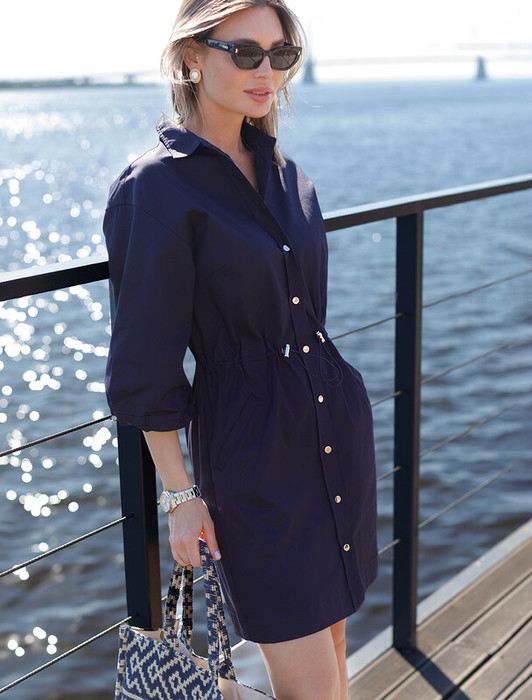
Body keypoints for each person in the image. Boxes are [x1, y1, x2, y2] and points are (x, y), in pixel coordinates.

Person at [103, 1, 377, 698]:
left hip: (333, 432)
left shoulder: (285, 172)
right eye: (246, 52)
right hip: (254, 460)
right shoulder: (155, 187)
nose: (267, 72)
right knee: (309, 677)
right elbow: (145, 361)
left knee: (334, 644)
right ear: (191, 57)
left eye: (280, 55)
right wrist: (180, 495)